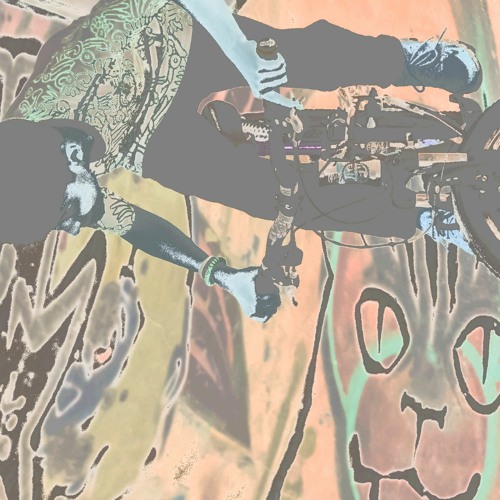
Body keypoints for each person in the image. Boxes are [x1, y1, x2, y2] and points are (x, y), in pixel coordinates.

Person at [4, 0, 482, 320]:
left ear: (70, 156)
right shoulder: (45, 175)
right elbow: (134, 225)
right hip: (143, 138)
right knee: (272, 197)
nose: (71, 228)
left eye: (65, 213)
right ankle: (424, 214)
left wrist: (243, 56)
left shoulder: (87, 62)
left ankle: (410, 61)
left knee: (294, 59)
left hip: (172, 40)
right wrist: (223, 275)